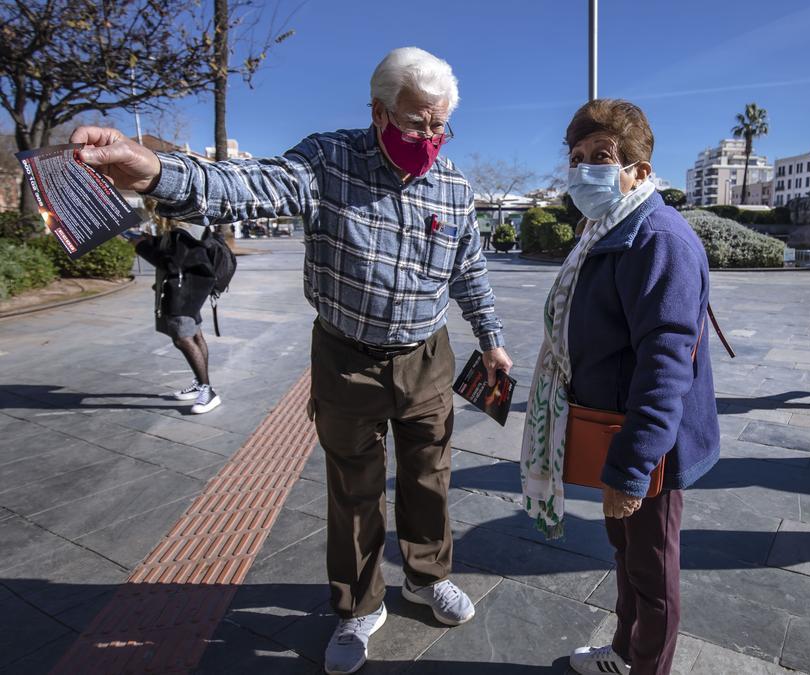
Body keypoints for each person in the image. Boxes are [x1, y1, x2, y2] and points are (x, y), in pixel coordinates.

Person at [71, 47, 513, 675]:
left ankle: (426, 574)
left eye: (441, 125)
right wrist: (152, 173)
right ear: (379, 111)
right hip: (346, 357)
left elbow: (470, 269)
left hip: (426, 358)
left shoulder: (455, 186)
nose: (431, 137)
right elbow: (248, 187)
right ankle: (359, 605)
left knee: (428, 477)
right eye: (418, 122)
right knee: (354, 489)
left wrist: (491, 336)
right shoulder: (329, 159)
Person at [519, 99, 719, 675]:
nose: (584, 169)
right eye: (577, 157)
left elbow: (665, 365)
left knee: (653, 577)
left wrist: (632, 466)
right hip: (613, 430)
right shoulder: (603, 228)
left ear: (638, 169)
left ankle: (645, 666)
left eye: (601, 156)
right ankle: (626, 652)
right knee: (629, 559)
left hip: (649, 442)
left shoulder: (657, 238)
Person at [133, 224, 222, 415]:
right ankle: (201, 384)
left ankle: (208, 391)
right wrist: (154, 241)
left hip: (182, 292)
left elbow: (172, 264)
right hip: (193, 289)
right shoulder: (189, 226)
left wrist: (141, 246)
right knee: (195, 335)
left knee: (183, 339)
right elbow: (181, 254)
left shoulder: (183, 230)